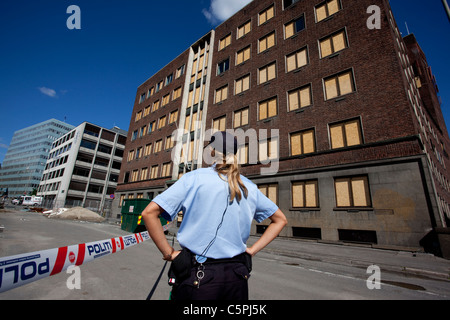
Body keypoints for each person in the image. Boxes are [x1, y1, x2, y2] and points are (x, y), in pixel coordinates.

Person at [142, 131, 287, 300]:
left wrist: (169, 253)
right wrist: (252, 251)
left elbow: (149, 212)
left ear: (211, 151)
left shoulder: (194, 178)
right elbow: (280, 220)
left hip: (198, 276)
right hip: (237, 277)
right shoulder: (249, 187)